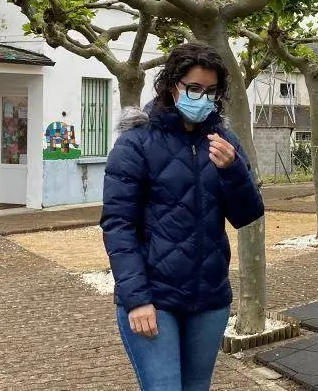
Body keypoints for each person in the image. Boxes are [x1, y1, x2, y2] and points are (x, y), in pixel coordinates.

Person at [101, 42, 265, 391]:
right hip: (154, 299)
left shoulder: (224, 140)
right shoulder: (136, 142)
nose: (202, 98)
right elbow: (118, 226)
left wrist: (233, 171)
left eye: (211, 91)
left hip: (209, 299)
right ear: (172, 85)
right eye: (193, 88)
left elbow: (247, 214)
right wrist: (137, 298)